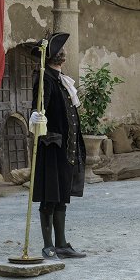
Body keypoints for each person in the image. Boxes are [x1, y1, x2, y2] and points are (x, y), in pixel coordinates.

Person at [28, 32, 86, 260]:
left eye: (62, 49)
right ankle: (48, 245)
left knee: (61, 196)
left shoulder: (61, 80)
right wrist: (35, 117)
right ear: (51, 56)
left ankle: (62, 244)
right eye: (59, 50)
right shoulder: (45, 79)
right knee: (49, 197)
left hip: (66, 149)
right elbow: (38, 107)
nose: (63, 52)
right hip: (52, 148)